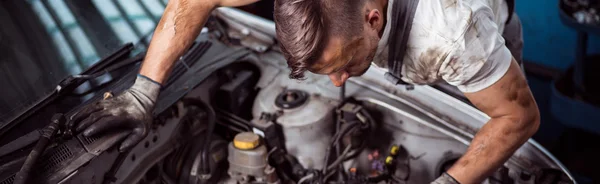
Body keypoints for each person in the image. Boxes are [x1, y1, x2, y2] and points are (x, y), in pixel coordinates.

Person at [70, 0, 540, 183]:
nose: (337, 83)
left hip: (459, 64)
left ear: (373, 19)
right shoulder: (342, 24)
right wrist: (144, 93)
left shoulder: (455, 40)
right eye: (327, 71)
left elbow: (518, 118)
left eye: (345, 66)